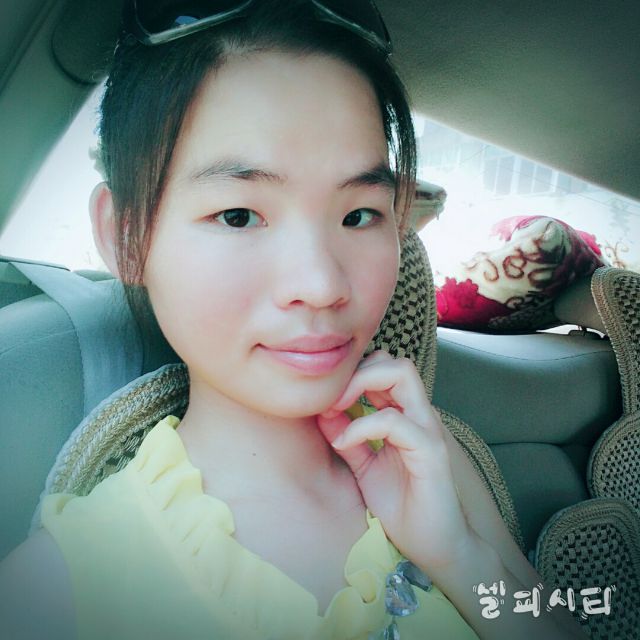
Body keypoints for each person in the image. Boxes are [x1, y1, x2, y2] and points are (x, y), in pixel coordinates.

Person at [0, 1, 588, 638]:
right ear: (125, 237)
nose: (322, 285)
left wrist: (458, 555)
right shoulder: (53, 592)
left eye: (359, 215)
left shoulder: (426, 456)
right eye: (238, 216)